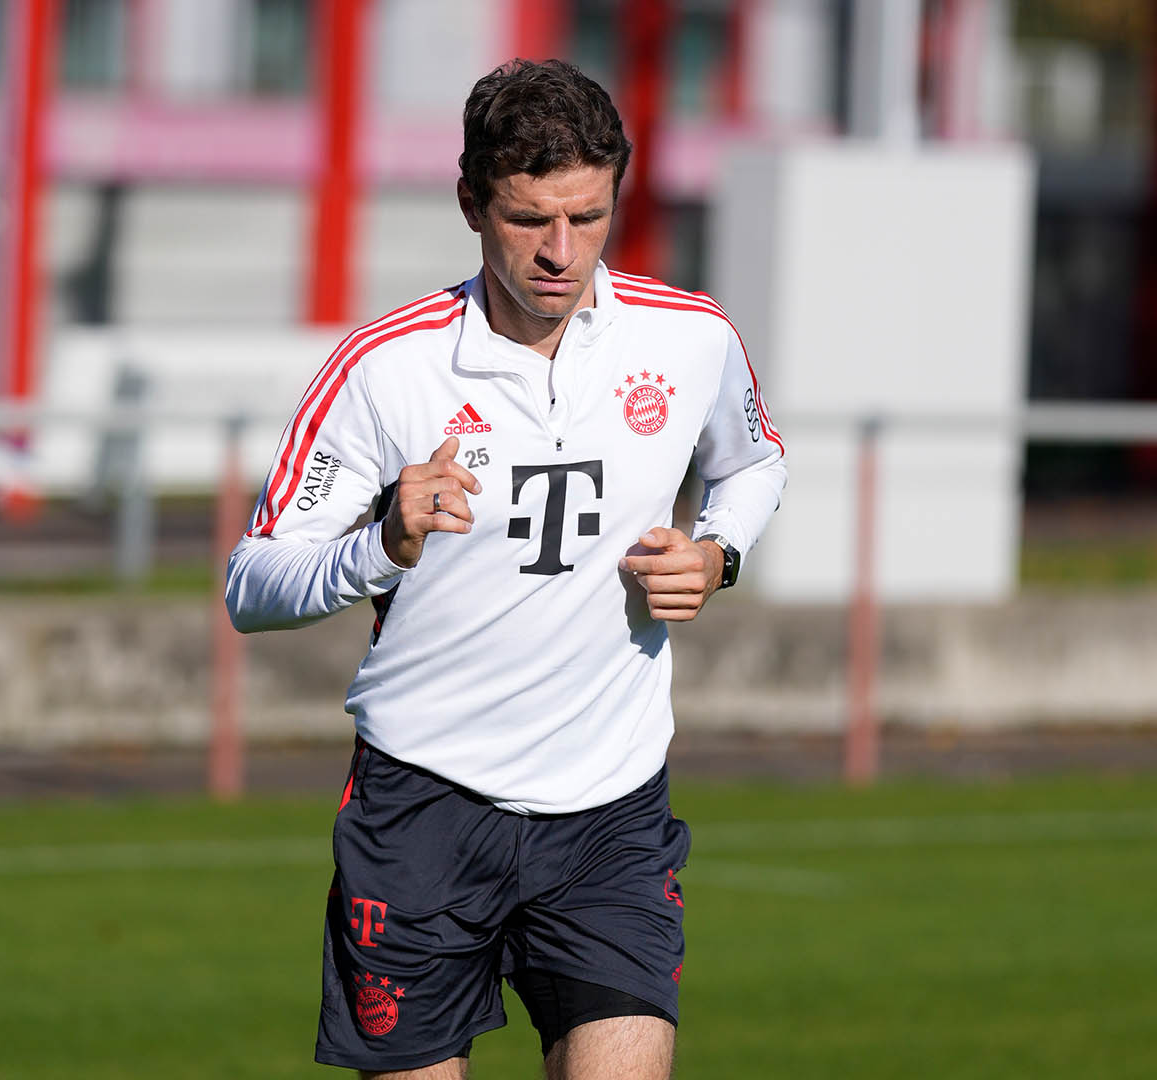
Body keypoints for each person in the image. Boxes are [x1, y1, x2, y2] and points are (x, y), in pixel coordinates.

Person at [226, 58, 786, 1080]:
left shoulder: (691, 337)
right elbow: (252, 584)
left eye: (588, 215)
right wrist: (377, 547)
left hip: (611, 810)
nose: (561, 253)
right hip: (425, 808)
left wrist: (717, 553)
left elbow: (754, 462)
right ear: (471, 203)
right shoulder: (385, 370)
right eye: (530, 219)